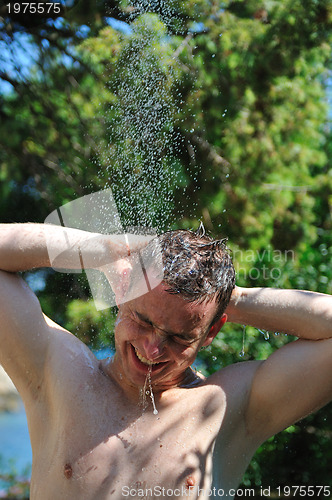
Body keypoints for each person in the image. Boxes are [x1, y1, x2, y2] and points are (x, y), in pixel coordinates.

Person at [0, 222, 331, 500]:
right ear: (122, 289)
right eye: (143, 321)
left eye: (180, 337)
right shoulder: (58, 370)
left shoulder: (229, 408)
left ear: (213, 330)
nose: (153, 349)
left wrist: (232, 298)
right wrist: (108, 249)